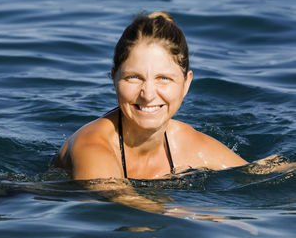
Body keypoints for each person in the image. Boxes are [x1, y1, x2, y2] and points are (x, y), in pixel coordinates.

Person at [52, 11, 249, 180]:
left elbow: (259, 173)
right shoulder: (91, 146)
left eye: (163, 78)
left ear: (186, 83)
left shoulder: (186, 142)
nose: (148, 94)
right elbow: (114, 203)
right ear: (114, 78)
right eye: (134, 77)